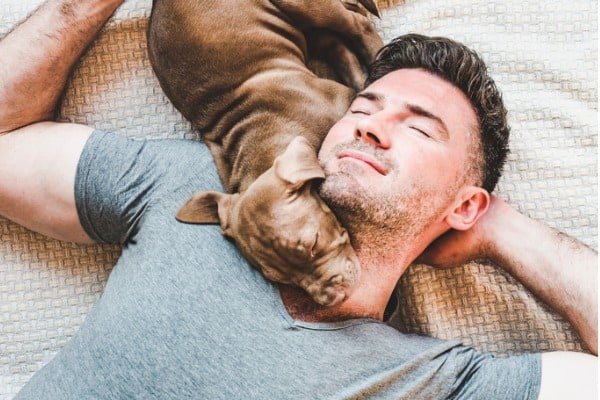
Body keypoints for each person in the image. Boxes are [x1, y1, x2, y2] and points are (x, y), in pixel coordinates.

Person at [0, 0, 596, 398]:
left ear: (463, 205)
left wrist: (502, 232)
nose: (369, 126)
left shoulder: (433, 380)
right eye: (362, 107)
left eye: (418, 128)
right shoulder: (197, 188)